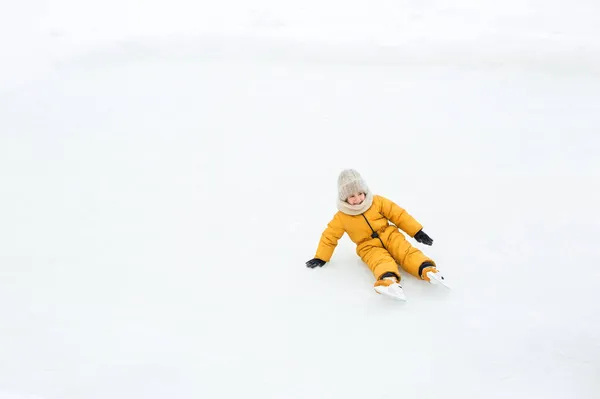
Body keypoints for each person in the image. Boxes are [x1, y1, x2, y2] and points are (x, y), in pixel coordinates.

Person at [305, 169, 444, 299]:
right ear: (344, 198)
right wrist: (321, 257)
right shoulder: (341, 217)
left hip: (390, 236)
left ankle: (426, 269)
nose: (358, 199)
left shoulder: (377, 201)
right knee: (380, 261)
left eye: (360, 193)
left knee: (406, 251)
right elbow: (329, 236)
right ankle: (387, 280)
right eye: (352, 196)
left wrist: (417, 231)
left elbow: (398, 215)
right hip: (368, 246)